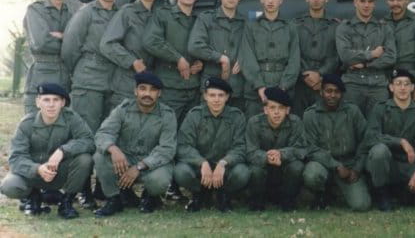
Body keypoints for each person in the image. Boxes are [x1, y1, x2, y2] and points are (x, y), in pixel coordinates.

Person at [0, 84, 94, 219]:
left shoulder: (72, 118)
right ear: (38, 102)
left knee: (85, 159)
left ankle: (66, 201)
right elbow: (16, 158)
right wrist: (37, 169)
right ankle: (33, 196)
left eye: (56, 100)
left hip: (60, 172)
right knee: (9, 186)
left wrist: (63, 150)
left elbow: (89, 141)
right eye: (46, 100)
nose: (51, 105)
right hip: (33, 175)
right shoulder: (27, 123)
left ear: (62, 103)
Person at [93, 72, 177, 216]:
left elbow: (167, 149)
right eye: (143, 88)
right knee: (100, 156)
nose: (147, 94)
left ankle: (151, 197)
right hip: (125, 160)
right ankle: (114, 199)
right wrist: (113, 149)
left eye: (153, 90)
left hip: (151, 163)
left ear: (159, 94)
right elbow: (103, 133)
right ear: (135, 91)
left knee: (159, 180)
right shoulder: (123, 109)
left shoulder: (167, 115)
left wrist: (140, 166)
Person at [365, 69, 415, 211]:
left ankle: (404, 193)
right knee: (379, 151)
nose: (402, 88)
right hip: (387, 163)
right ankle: (382, 194)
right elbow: (371, 137)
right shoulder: (380, 109)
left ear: (412, 87)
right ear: (391, 87)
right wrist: (400, 142)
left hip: (410, 165)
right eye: (398, 84)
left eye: (406, 84)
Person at [175, 77, 249, 212]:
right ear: (205, 96)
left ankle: (224, 194)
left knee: (242, 173)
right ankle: (199, 193)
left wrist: (223, 163)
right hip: (200, 168)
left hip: (225, 168)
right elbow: (183, 145)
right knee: (181, 172)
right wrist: (202, 162)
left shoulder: (237, 116)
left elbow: (241, 147)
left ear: (227, 97)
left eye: (221, 95)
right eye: (212, 95)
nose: (216, 100)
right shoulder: (194, 115)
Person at [62, 0, 122, 133]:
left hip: (112, 79)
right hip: (88, 78)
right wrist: (78, 72)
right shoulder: (86, 13)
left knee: (107, 130)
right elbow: (70, 48)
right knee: (86, 130)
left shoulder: (120, 14)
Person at [302, 74, 371, 211]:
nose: (332, 95)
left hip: (349, 164)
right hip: (323, 164)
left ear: (342, 94)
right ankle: (322, 192)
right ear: (321, 92)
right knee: (312, 174)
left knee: (361, 205)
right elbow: (310, 148)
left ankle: (337, 192)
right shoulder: (310, 114)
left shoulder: (352, 111)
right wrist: (336, 166)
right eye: (328, 91)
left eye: (337, 92)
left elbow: (365, 141)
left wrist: (357, 169)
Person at [142, 0, 202, 124]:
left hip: (193, 87)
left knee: (189, 132)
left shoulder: (199, 20)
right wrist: (178, 58)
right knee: (165, 128)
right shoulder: (163, 15)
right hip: (170, 87)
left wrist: (200, 62)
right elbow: (151, 41)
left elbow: (204, 45)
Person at [99, 0, 159, 110]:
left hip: (150, 84)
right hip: (126, 83)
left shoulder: (158, 15)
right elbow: (107, 44)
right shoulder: (127, 12)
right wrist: (131, 61)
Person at [240, 0, 301, 116]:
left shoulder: (290, 27)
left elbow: (294, 60)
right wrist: (259, 86)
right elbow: (247, 57)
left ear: (281, 0)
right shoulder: (251, 25)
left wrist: (283, 87)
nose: (270, 0)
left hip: (283, 85)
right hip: (256, 89)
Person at [335, 0, 396, 116]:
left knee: (377, 124)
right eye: (362, 1)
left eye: (370, 2)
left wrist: (365, 64)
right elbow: (345, 56)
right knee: (351, 123)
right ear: (355, 2)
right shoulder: (345, 28)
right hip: (353, 84)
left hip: (378, 85)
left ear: (374, 4)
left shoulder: (384, 28)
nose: (366, 5)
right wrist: (372, 54)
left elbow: (391, 57)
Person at [187, 0, 247, 109]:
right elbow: (195, 46)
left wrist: (244, 58)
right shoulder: (207, 18)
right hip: (212, 85)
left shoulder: (245, 23)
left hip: (237, 85)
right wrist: (220, 58)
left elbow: (254, 47)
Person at [246, 86, 306, 211]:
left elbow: (301, 149)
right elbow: (250, 152)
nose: (277, 112)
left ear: (288, 110)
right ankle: (257, 202)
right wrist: (266, 157)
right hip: (263, 168)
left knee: (297, 166)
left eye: (281, 108)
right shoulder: (254, 123)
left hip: (284, 168)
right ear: (265, 109)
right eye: (272, 107)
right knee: (255, 170)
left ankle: (288, 201)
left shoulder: (295, 122)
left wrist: (281, 154)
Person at [23, 0, 72, 113]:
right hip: (42, 73)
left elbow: (79, 44)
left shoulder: (71, 14)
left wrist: (62, 36)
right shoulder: (36, 10)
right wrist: (67, 40)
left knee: (61, 121)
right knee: (35, 120)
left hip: (64, 76)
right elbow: (41, 42)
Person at [291, 0, 339, 117]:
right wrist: (305, 74)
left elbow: (335, 56)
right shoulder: (296, 25)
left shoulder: (335, 26)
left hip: (324, 83)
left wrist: (320, 74)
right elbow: (293, 53)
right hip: (300, 84)